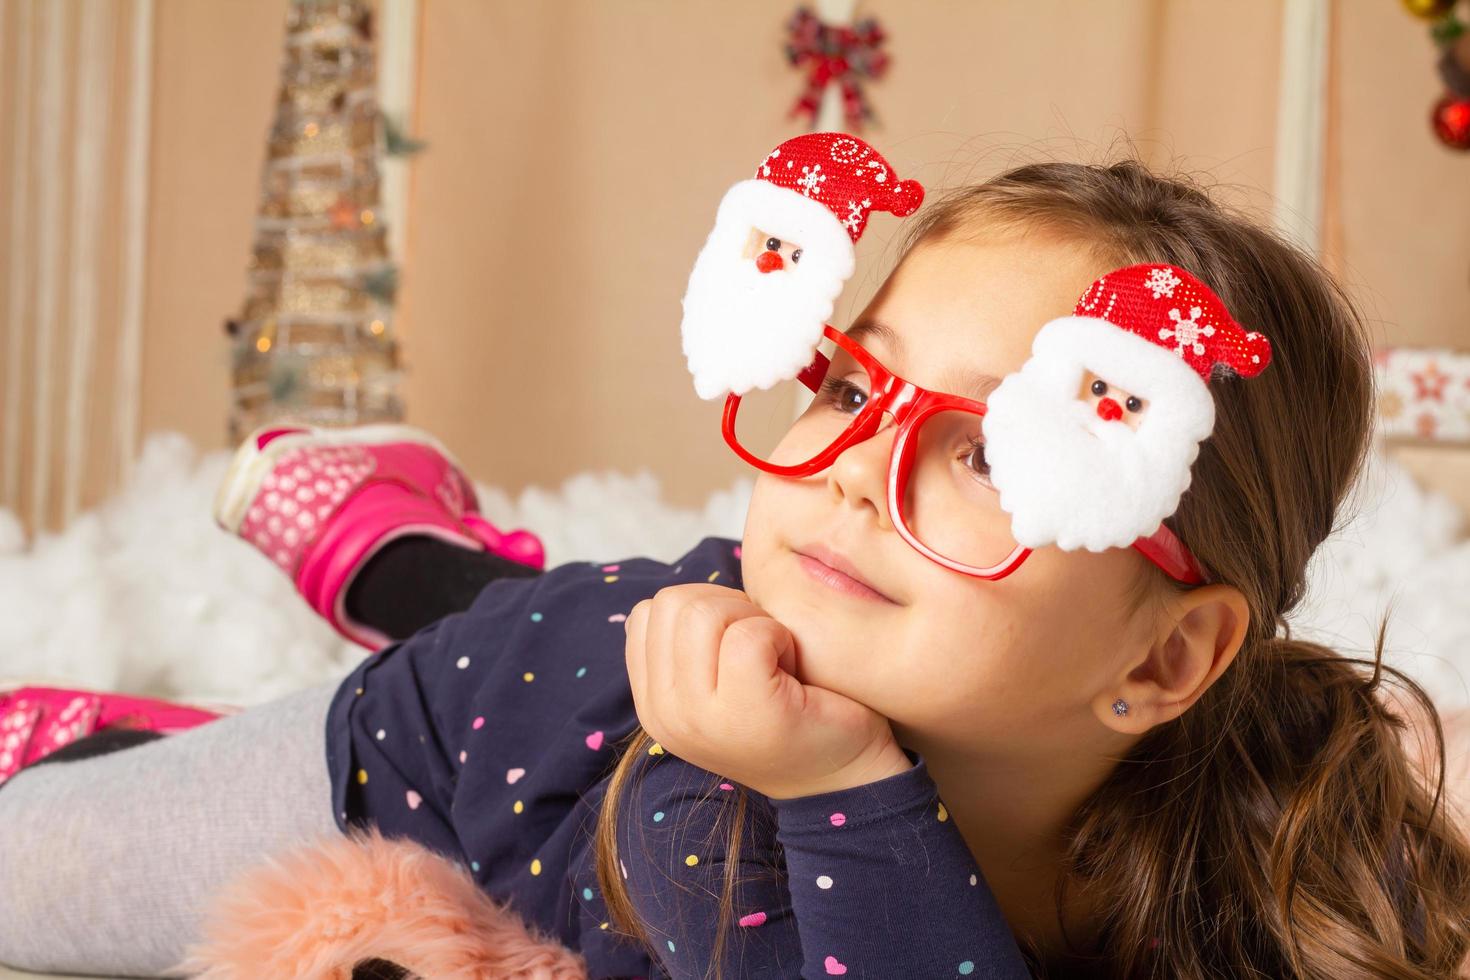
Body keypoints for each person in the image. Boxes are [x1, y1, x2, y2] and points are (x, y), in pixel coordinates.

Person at [4, 149, 1469, 979]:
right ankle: (283, 642)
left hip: (636, 638)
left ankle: (400, 549)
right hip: (472, 725)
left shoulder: (1287, 832)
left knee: (605, 597)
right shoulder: (716, 803)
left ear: (1161, 660)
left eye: (989, 455)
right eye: (844, 387)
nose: (842, 468)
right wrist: (837, 791)